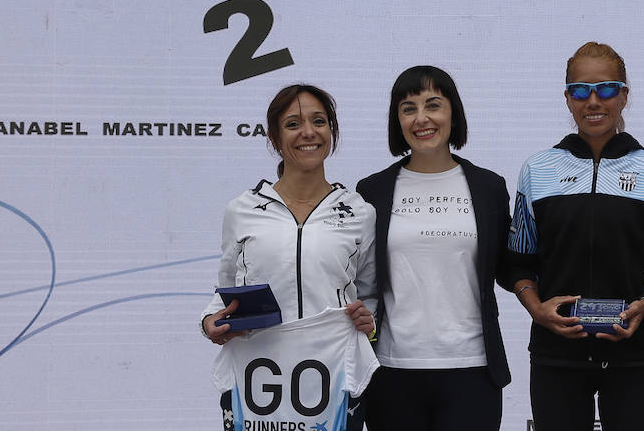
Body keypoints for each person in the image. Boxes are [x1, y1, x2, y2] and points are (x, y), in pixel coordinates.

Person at [507, 41, 644, 431]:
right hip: (557, 356)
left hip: (634, 353)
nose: (593, 101)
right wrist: (536, 308)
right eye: (580, 91)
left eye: (605, 89)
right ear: (568, 98)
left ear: (624, 95)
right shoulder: (537, 169)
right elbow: (518, 262)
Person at [199, 84, 377, 430]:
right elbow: (223, 293)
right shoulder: (242, 210)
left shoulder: (359, 212)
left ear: (332, 131)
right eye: (293, 124)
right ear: (275, 138)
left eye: (319, 121)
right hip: (256, 379)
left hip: (334, 377)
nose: (308, 133)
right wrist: (209, 322)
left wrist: (369, 325)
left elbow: (370, 296)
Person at [356, 65, 511, 431]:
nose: (421, 118)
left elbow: (509, 267)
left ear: (452, 113)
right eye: (408, 108)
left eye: (433, 105)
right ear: (397, 120)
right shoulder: (371, 191)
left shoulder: (489, 187)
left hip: (473, 368)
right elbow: (359, 277)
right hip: (391, 370)